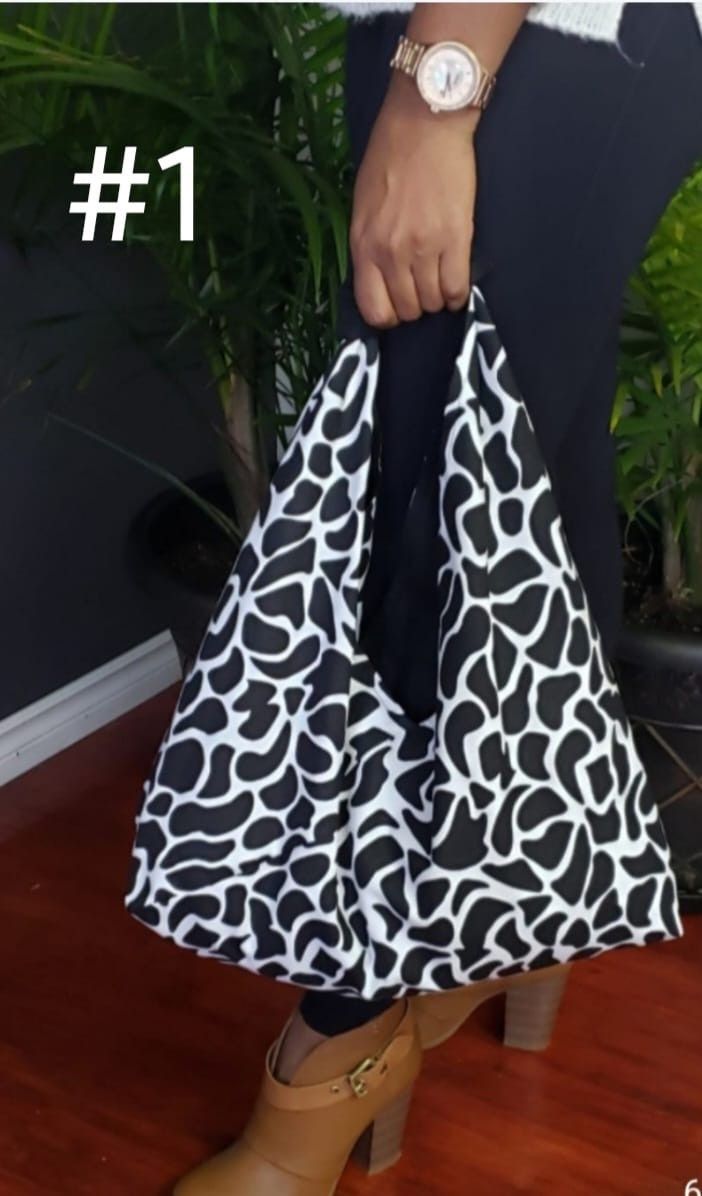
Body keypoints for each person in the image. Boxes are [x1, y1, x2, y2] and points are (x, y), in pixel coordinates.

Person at [173, 3, 702, 1192]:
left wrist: (437, 90)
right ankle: (505, 906)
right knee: (518, 468)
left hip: (545, 23)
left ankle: (337, 1048)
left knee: (424, 502)